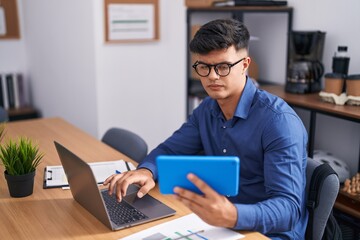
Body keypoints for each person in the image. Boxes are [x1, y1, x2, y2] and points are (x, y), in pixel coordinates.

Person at [104, 18, 308, 239]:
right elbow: (171, 150)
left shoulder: (279, 122)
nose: (212, 76)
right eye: (204, 67)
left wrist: (233, 215)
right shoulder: (207, 109)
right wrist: (146, 171)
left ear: (245, 64)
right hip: (216, 224)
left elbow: (289, 210)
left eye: (223, 67)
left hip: (266, 232)